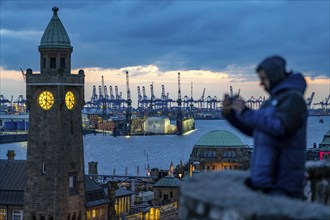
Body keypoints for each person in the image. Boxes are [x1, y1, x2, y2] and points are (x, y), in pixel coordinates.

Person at [222, 55, 307, 198]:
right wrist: (230, 114)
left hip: (283, 181)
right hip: (266, 180)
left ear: (274, 76)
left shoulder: (294, 100)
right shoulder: (271, 101)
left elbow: (280, 128)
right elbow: (255, 130)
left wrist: (245, 111)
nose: (261, 84)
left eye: (263, 78)